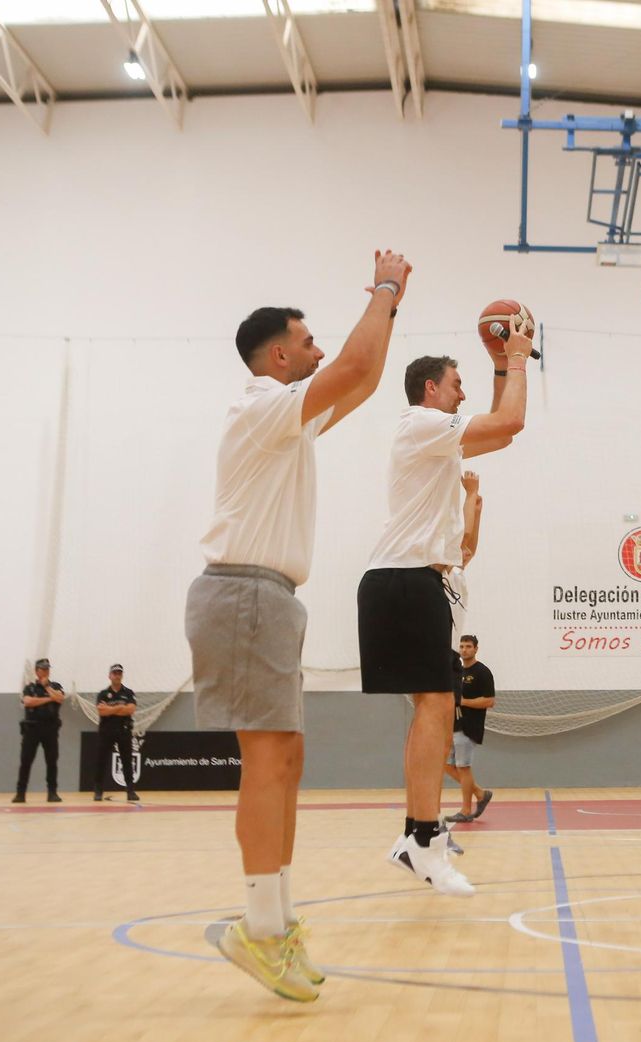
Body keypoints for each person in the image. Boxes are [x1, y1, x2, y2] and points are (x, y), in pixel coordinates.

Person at [185, 251, 410, 1002]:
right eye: (307, 342)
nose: (318, 352)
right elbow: (349, 368)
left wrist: (390, 306)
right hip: (243, 594)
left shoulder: (288, 421)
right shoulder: (259, 408)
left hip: (268, 599)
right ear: (279, 354)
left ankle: (277, 923)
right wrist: (382, 289)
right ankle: (259, 926)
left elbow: (365, 376)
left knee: (287, 761)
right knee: (267, 763)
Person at [362, 342, 530, 896]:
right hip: (405, 579)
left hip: (409, 582)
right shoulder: (420, 423)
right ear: (430, 389)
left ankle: (417, 838)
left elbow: (506, 434)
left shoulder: (437, 440)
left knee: (430, 706)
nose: (464, 392)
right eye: (457, 383)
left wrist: (501, 364)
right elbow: (512, 418)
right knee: (437, 703)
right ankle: (425, 841)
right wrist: (518, 356)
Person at [447, 635, 494, 823]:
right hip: (452, 724)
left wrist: (463, 702)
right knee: (446, 764)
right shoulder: (455, 671)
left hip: (469, 726)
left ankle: (466, 811)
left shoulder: (482, 672)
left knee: (463, 767)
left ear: (476, 649)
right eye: (461, 646)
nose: (464, 649)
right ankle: (480, 793)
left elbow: (490, 701)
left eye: (468, 646)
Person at [15, 657, 65, 803]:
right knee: (26, 761)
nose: (45, 671)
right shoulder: (29, 687)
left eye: (47, 669)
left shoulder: (55, 686)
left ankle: (52, 793)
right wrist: (49, 699)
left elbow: (60, 698)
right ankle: (20, 793)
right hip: (32, 729)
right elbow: (28, 701)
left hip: (50, 729)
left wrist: (48, 688)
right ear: (36, 671)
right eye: (42, 669)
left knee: (51, 761)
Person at [92, 664, 139, 802]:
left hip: (124, 730)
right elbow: (101, 711)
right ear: (110, 675)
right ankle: (98, 791)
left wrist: (111, 708)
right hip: (106, 731)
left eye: (119, 673)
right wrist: (120, 707)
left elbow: (130, 710)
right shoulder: (103, 694)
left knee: (127, 761)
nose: (117, 675)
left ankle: (130, 791)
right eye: (114, 673)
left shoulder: (129, 693)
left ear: (122, 675)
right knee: (101, 761)